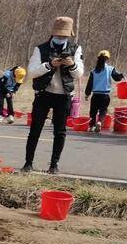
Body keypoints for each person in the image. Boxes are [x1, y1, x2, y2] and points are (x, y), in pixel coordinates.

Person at [23, 16, 84, 173]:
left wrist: (72, 65)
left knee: (60, 131)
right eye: (58, 35)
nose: (61, 38)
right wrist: (50, 65)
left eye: (64, 36)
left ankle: (54, 165)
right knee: (35, 129)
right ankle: (28, 163)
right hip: (44, 93)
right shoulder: (40, 49)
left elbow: (79, 74)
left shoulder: (75, 49)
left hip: (63, 96)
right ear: (53, 33)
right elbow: (32, 72)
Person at [85, 50, 124, 133]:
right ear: (107, 59)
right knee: (103, 110)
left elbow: (90, 84)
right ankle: (99, 122)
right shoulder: (110, 69)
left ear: (98, 58)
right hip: (105, 95)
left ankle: (92, 126)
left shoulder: (93, 71)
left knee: (93, 111)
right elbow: (116, 78)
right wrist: (121, 76)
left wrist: (87, 94)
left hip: (95, 95)